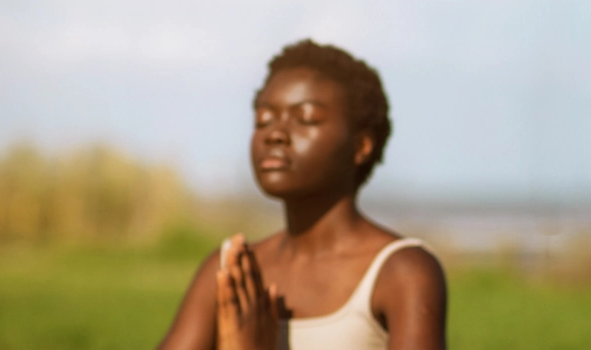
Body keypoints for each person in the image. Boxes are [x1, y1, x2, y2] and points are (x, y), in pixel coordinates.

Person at [158, 39, 447, 350]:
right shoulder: (232, 271)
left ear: (361, 146)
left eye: (305, 118)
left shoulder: (402, 272)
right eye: (263, 119)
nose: (275, 134)